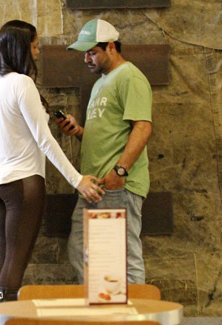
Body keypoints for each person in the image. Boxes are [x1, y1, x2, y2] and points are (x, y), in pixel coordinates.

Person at [0, 20, 103, 325]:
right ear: (20, 47)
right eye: (34, 45)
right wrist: (77, 180)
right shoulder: (22, 84)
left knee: (4, 257)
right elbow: (45, 141)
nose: (38, 49)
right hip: (23, 183)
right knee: (15, 261)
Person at [57, 19, 152, 284]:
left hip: (118, 185)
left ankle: (134, 323)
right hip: (95, 186)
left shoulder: (130, 76)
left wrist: (120, 171)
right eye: (84, 53)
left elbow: (142, 127)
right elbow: (107, 135)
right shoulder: (102, 83)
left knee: (125, 257)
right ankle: (104, 317)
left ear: (111, 46)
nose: (86, 58)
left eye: (92, 52)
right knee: (81, 251)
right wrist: (78, 131)